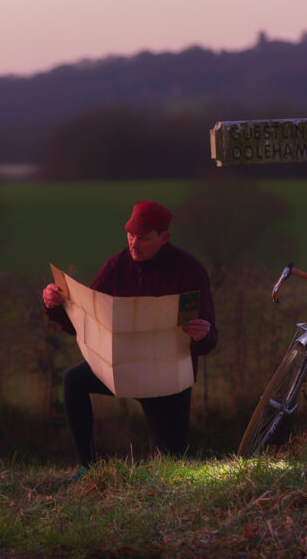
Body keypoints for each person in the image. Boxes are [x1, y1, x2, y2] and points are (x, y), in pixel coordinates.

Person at [42, 201, 219, 470]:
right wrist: (55, 306)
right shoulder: (116, 265)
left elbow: (210, 339)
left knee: (169, 467)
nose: (133, 244)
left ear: (164, 238)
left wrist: (201, 336)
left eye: (143, 239)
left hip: (166, 377)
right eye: (130, 235)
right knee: (73, 380)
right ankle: (86, 468)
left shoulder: (189, 270)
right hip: (118, 367)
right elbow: (84, 320)